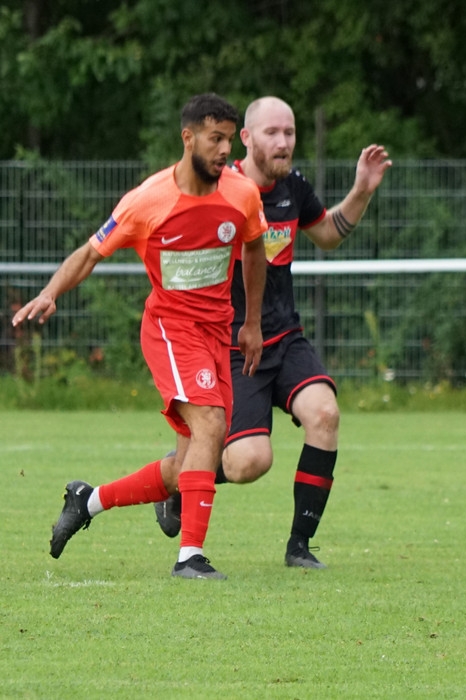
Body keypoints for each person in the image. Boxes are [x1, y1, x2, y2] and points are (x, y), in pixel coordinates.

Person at [12, 93, 268, 579]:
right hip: (171, 331)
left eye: (228, 140)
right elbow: (90, 253)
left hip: (217, 333)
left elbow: (255, 252)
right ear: (187, 137)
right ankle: (190, 557)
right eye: (215, 139)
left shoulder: (242, 194)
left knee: (190, 461)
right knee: (212, 425)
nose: (223, 150)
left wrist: (251, 323)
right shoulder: (148, 202)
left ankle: (87, 501)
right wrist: (50, 291)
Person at [152, 96, 392, 569]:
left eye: (290, 133)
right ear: (246, 139)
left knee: (325, 415)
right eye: (272, 133)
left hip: (285, 337)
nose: (283, 143)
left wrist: (361, 190)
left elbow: (327, 234)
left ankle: (299, 548)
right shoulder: (221, 189)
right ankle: (181, 477)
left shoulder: (293, 188)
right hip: (235, 348)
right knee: (248, 463)